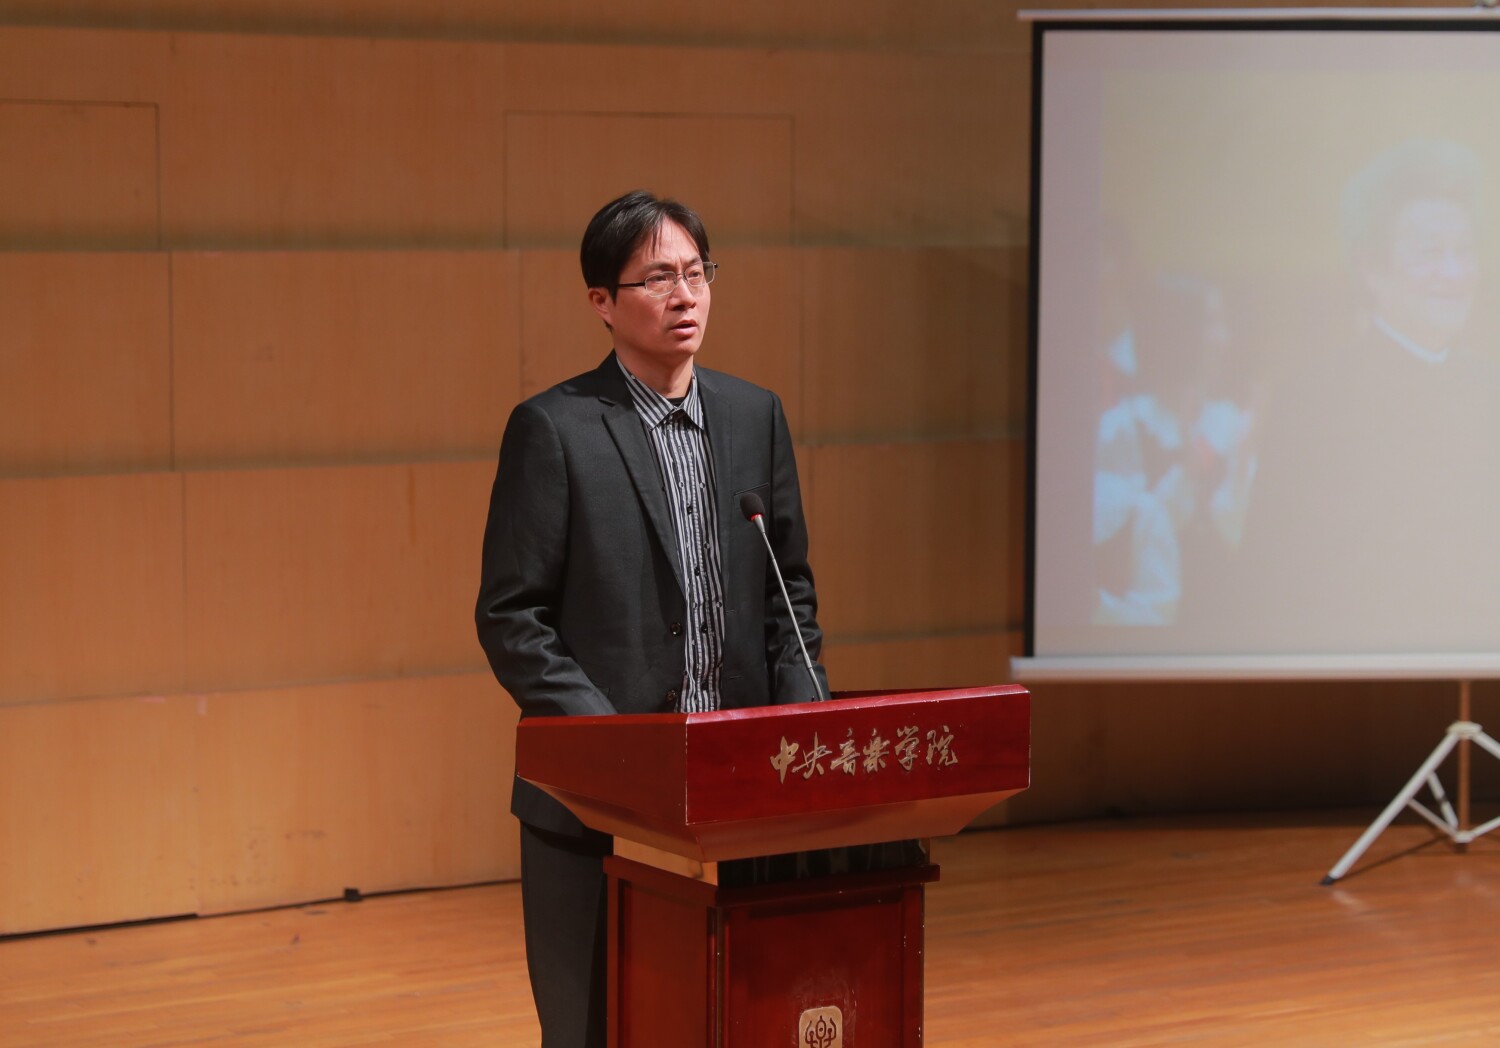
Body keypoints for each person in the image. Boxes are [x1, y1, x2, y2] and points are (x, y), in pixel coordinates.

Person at [474, 190, 827, 1048]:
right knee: (595, 1030)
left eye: (697, 273)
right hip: (598, 807)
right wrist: (620, 753)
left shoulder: (754, 416)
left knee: (734, 1022)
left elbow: (790, 596)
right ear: (602, 301)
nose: (685, 295)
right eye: (658, 278)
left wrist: (801, 747)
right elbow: (513, 616)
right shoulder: (554, 429)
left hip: (742, 797)